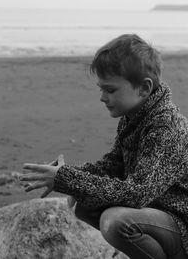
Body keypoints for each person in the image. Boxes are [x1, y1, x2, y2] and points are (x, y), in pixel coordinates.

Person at [20, 34, 188, 259]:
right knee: (84, 204)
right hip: (158, 214)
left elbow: (139, 192)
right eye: (101, 89)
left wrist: (68, 180)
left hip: (180, 222)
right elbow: (113, 165)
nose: (102, 97)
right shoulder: (135, 117)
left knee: (116, 222)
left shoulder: (165, 124)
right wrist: (67, 175)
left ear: (144, 88)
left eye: (110, 90)